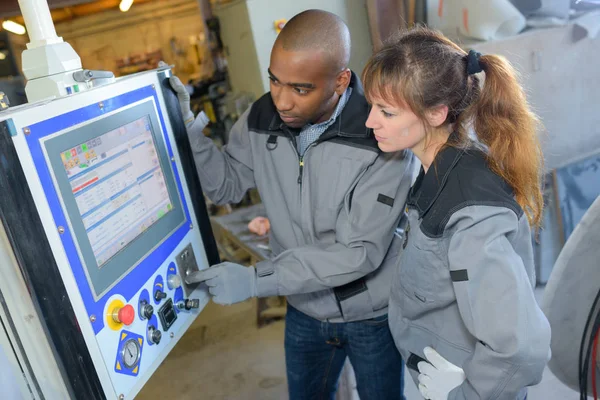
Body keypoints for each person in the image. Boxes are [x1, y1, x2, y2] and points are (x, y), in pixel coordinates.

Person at [171, 9, 415, 400]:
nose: (282, 100)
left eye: (300, 89)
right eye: (274, 80)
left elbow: (358, 255)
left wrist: (256, 280)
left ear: (340, 80)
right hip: (304, 308)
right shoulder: (260, 117)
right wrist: (185, 126)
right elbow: (226, 186)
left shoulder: (379, 138)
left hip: (371, 314)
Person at [361, 27, 551, 400]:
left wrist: (466, 394)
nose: (370, 122)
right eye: (372, 107)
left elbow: (522, 347)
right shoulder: (440, 168)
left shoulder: (468, 206)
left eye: (385, 111)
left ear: (436, 113)